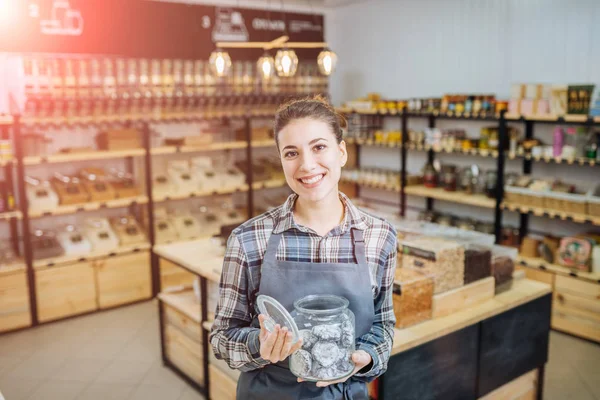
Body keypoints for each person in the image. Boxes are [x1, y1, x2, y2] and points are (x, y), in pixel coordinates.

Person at [210, 95, 397, 399]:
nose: (307, 165)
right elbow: (222, 339)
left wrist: (367, 358)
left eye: (319, 147)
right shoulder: (249, 239)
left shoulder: (379, 236)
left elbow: (382, 325)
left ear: (342, 152)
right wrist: (261, 345)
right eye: (291, 153)